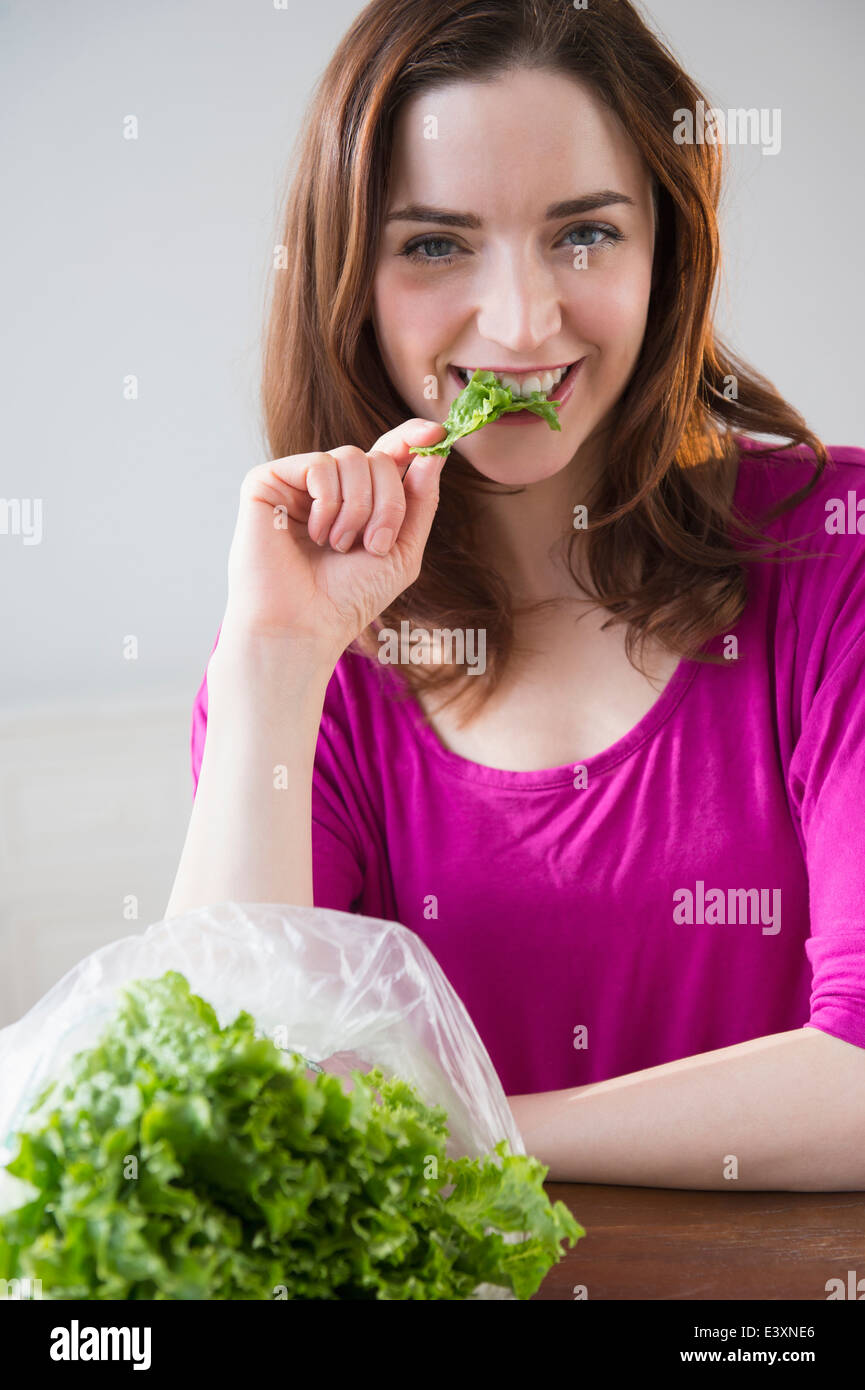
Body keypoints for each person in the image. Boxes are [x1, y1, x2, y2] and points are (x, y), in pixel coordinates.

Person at [166, 0, 865, 1190]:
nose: (522, 321)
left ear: (666, 253)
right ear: (349, 277)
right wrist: (274, 658)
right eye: (436, 246)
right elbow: (212, 1114)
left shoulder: (835, 553)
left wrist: (461, 1133)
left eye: (584, 233)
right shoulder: (311, 665)